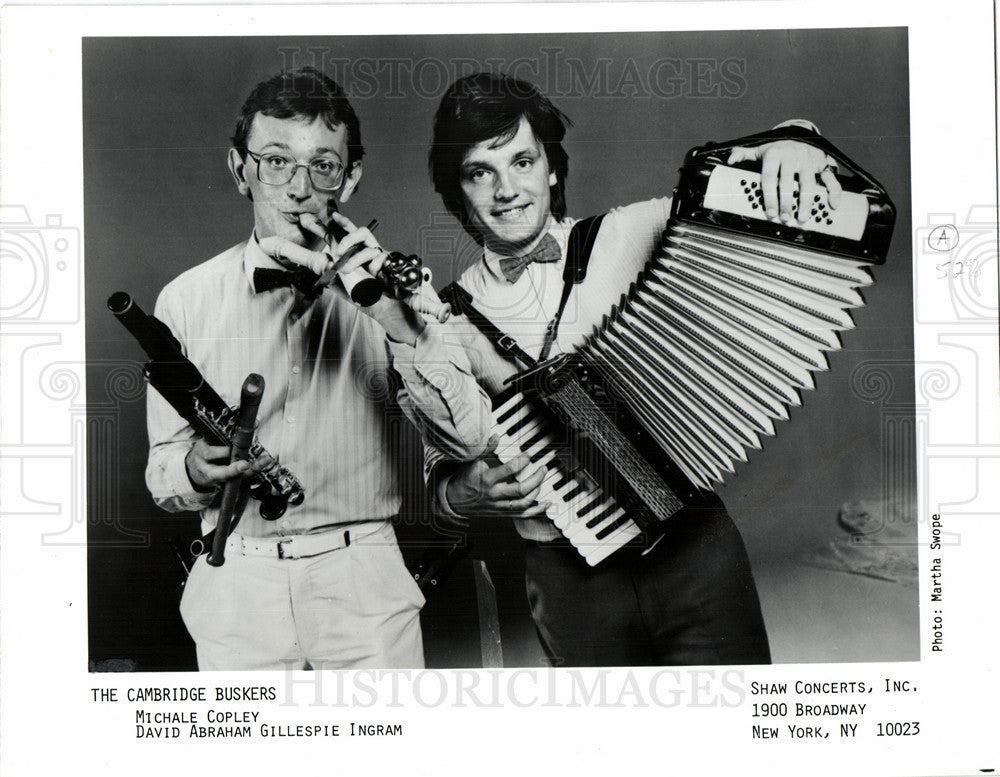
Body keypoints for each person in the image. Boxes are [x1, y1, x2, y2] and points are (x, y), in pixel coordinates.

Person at [419, 71, 842, 666]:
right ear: (456, 191)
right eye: (479, 172)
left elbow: (742, 190)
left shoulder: (623, 234)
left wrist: (795, 140)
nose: (507, 189)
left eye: (522, 162)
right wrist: (463, 490)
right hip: (569, 579)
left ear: (552, 168)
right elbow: (435, 478)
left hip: (695, 551)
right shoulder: (437, 320)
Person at [145, 67, 489, 671]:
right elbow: (162, 473)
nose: (298, 189)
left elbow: (469, 438)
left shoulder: (401, 294)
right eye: (275, 161)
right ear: (240, 170)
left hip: (363, 581)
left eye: (323, 166)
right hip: (235, 578)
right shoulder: (183, 300)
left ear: (349, 179)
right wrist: (195, 469)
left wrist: (388, 310)